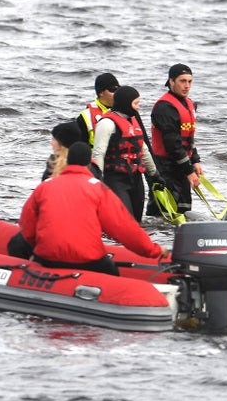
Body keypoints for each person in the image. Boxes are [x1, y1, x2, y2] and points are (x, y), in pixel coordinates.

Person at [13, 142, 170, 275]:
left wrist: (38, 249)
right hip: (88, 260)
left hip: (47, 258)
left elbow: (27, 226)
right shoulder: (98, 189)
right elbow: (124, 228)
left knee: (16, 244)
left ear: (67, 161)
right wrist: (154, 251)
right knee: (113, 274)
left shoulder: (45, 186)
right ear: (89, 164)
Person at [92, 86, 164, 222]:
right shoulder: (107, 123)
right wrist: (98, 180)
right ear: (126, 103)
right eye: (136, 103)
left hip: (136, 179)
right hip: (115, 179)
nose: (138, 107)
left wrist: (154, 174)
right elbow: (98, 153)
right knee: (124, 221)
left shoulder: (134, 122)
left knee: (136, 222)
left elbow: (144, 150)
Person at [146, 63, 203, 217]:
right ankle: (158, 237)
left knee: (183, 209)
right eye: (182, 81)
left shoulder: (189, 104)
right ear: (171, 82)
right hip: (165, 168)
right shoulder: (164, 108)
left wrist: (195, 160)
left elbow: (189, 137)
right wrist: (189, 171)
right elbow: (173, 144)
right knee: (163, 213)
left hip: (181, 166)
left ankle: (177, 237)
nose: (187, 86)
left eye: (190, 82)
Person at [76, 73, 120, 148]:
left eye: (118, 89)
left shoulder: (128, 112)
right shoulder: (85, 117)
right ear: (101, 92)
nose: (117, 93)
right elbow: (80, 148)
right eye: (112, 90)